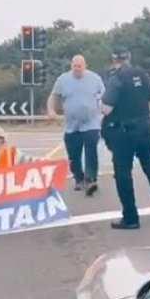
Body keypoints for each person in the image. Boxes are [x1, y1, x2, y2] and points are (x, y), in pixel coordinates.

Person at [101, 49, 150, 229]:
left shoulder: (116, 78)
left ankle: (131, 218)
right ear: (129, 58)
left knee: (123, 173)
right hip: (144, 129)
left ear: (114, 60)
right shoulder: (141, 74)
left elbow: (106, 109)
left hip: (123, 132)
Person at [47, 54, 105, 195]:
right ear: (71, 66)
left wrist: (103, 112)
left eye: (80, 66)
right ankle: (79, 178)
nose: (77, 69)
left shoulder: (95, 78)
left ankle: (91, 179)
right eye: (75, 66)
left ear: (85, 66)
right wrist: (51, 110)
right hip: (72, 125)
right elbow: (54, 96)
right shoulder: (63, 79)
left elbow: (104, 96)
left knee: (91, 150)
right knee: (73, 155)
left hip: (91, 123)